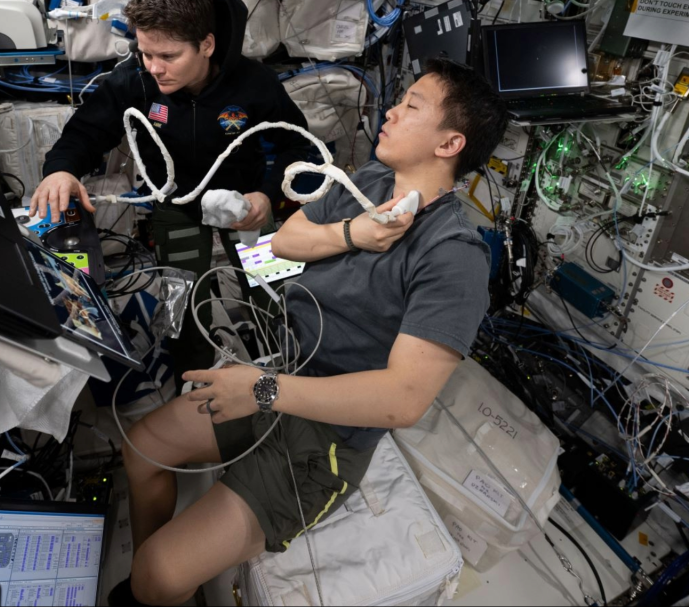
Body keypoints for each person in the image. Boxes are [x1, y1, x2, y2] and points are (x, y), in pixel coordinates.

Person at [111, 58, 509, 606]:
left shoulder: (453, 258)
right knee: (144, 449)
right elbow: (284, 242)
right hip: (283, 375)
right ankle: (159, 580)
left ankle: (155, 582)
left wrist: (261, 390)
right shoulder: (367, 181)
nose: (390, 110)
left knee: (156, 575)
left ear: (449, 144)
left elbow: (402, 401)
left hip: (327, 439)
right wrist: (353, 233)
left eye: (412, 105)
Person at [29, 0, 312, 381]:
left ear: (207, 45)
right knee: (185, 303)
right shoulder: (136, 81)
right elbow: (85, 132)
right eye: (145, 53)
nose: (155, 67)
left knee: (275, 296)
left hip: (247, 204)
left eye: (168, 56)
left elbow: (296, 147)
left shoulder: (254, 84)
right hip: (175, 206)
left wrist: (267, 197)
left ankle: (290, 375)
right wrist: (61, 170)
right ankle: (195, 385)